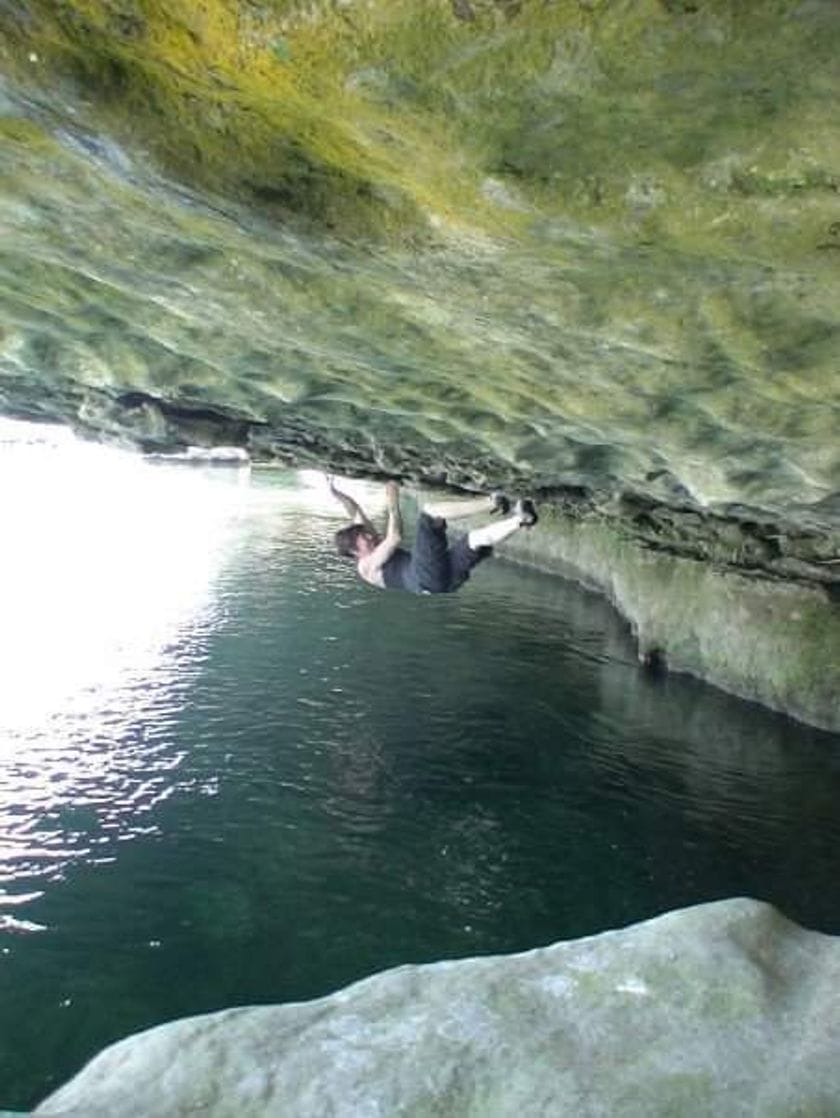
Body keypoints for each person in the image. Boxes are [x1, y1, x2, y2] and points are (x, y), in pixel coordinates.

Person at [329, 475, 538, 593]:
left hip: (442, 582)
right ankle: (492, 502)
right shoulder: (366, 567)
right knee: (429, 513)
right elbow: (395, 537)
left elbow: (355, 510)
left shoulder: (370, 545)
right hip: (423, 576)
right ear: (355, 552)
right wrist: (393, 500)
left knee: (475, 540)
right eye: (363, 539)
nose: (370, 537)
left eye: (366, 534)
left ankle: (522, 519)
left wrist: (335, 492)